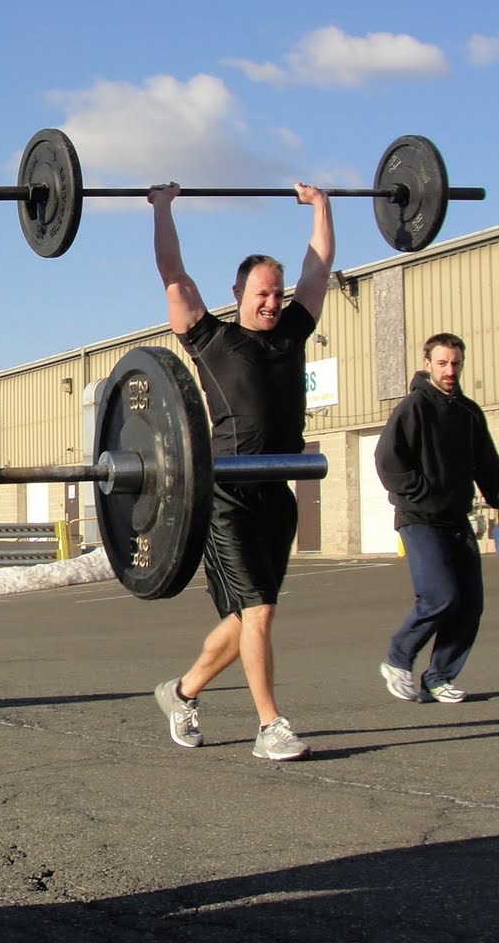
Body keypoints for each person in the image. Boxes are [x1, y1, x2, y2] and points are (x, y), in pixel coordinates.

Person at [146, 178, 332, 761]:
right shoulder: (212, 339)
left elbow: (319, 269)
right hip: (225, 497)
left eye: (277, 293)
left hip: (276, 496)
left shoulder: (293, 334)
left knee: (245, 619)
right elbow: (173, 274)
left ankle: (180, 692)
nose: (272, 302)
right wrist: (162, 207)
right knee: (260, 611)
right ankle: (270, 725)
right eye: (261, 293)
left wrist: (321, 207)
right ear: (238, 293)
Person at [374, 333, 499, 704]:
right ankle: (398, 658)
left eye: (455, 363)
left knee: (469, 603)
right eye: (442, 363)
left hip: (456, 520)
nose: (450, 370)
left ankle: (438, 678)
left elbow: (486, 461)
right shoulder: (414, 407)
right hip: (419, 518)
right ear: (428, 364)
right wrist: (420, 492)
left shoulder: (469, 413)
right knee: (439, 595)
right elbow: (387, 459)